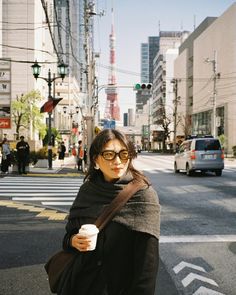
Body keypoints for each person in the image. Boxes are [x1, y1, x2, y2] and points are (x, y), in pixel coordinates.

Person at [62, 129, 160, 295]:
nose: (117, 161)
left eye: (123, 154)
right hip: (82, 284)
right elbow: (68, 236)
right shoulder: (88, 190)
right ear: (96, 160)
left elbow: (147, 266)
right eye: (109, 154)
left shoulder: (143, 194)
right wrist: (73, 241)